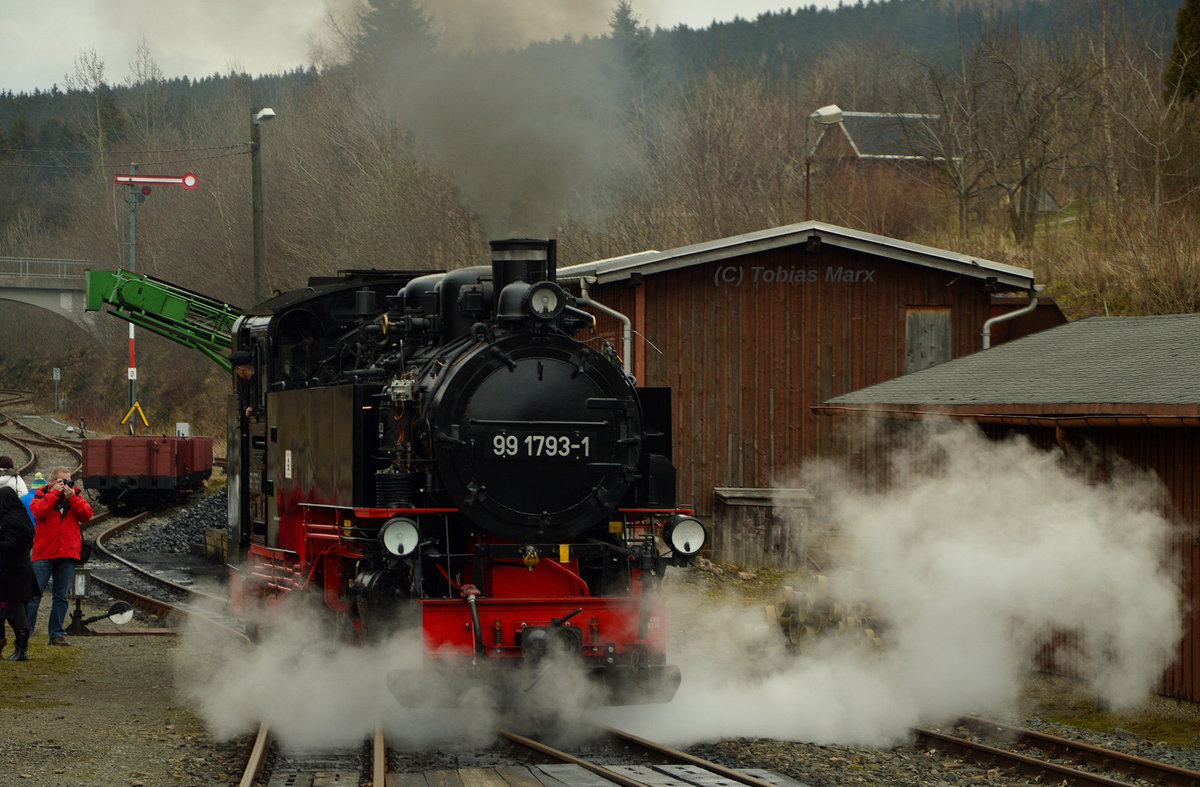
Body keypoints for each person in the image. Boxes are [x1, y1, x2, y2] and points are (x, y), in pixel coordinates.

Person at [28, 467, 93, 646]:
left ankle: (56, 634)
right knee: (34, 595)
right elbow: (39, 512)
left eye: (68, 481)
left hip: (67, 553)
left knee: (61, 597)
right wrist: (54, 494)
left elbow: (86, 515)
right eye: (61, 481)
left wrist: (72, 497)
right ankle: (26, 631)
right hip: (44, 553)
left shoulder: (76, 495)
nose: (65, 485)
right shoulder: (42, 494)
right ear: (53, 481)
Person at [0, 486, 36, 660]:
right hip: (24, 567)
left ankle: (21, 651)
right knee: (18, 608)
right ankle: (21, 649)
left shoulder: (8, 520)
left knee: (16, 609)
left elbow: (10, 544)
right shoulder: (23, 517)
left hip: (11, 570)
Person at [230, 349, 260, 418]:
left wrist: (252, 409)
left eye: (236, 370)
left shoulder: (256, 384)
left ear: (240, 370)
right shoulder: (254, 382)